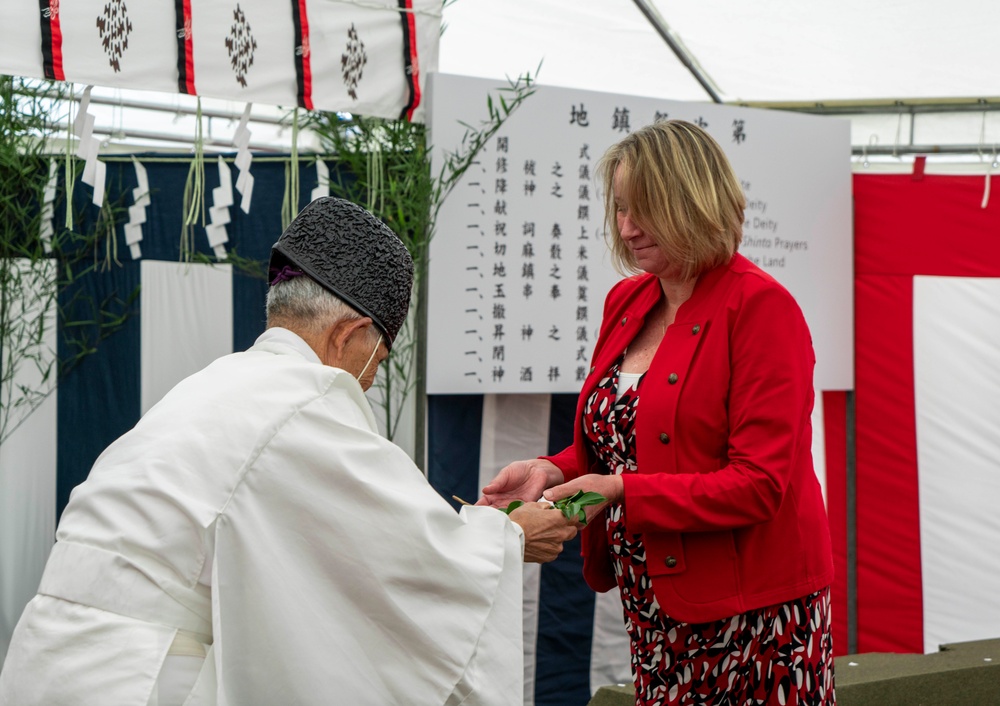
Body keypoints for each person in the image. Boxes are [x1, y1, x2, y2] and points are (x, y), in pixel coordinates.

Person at [0, 197, 578, 706]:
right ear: (349, 335)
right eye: (378, 360)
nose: (372, 382)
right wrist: (510, 538)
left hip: (44, 654)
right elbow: (410, 561)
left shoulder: (213, 383)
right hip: (135, 677)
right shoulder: (307, 401)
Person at [478, 121, 836, 705]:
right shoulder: (629, 300)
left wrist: (613, 491)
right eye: (619, 209)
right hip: (655, 602)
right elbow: (634, 438)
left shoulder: (762, 308)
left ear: (695, 202)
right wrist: (555, 470)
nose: (627, 228)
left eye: (644, 209)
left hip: (755, 612)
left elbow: (759, 485)